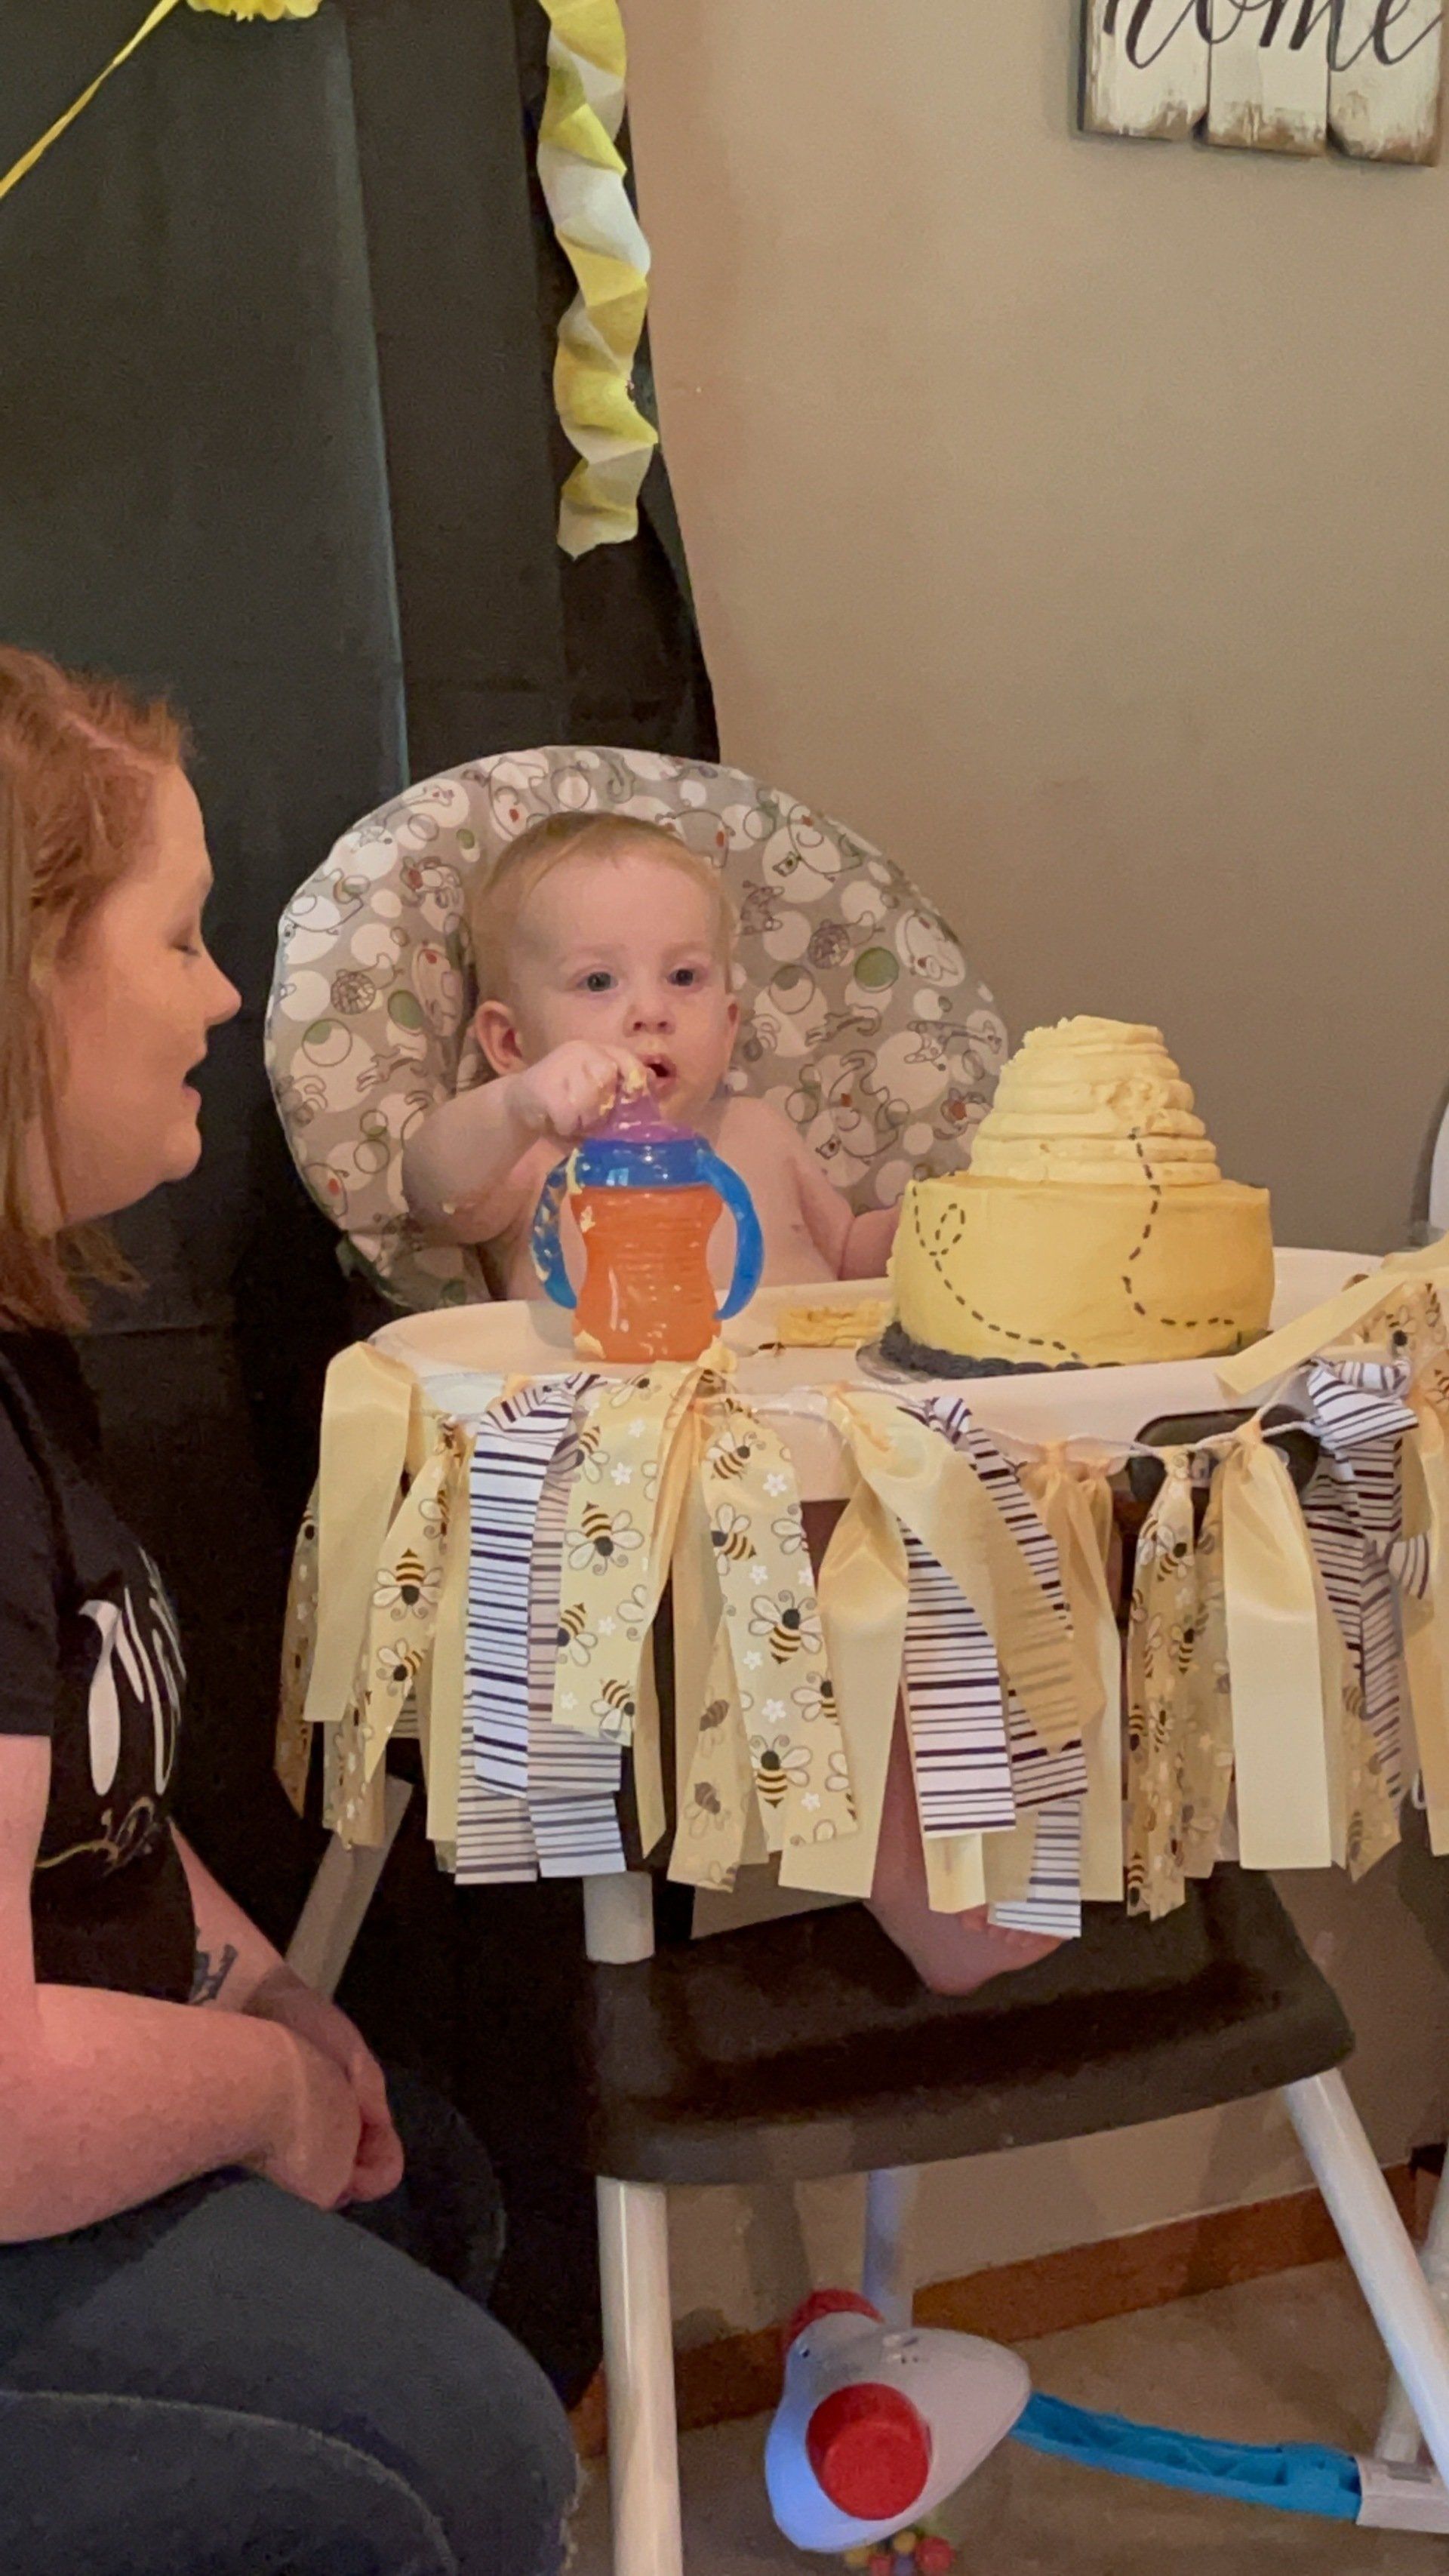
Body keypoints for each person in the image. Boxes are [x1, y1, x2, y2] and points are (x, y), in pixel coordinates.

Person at [0, 647, 576, 2576]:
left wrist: (258, 1988)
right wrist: (252, 2090)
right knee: (452, 2460)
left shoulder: (24, 1364)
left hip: (79, 2065)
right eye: (179, 936)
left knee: (447, 2191)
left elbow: (104, 1803)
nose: (225, 995)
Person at [402, 811, 1060, 1997]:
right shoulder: (539, 1161)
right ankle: (911, 1873)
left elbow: (850, 1249)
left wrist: (933, 1222)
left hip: (852, 1446)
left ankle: (1029, 1815)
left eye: (684, 977)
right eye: (598, 982)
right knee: (837, 1571)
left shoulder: (756, 1131)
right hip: (671, 1500)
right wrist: (518, 1110)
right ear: (510, 1037)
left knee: (1014, 1523)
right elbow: (429, 1191)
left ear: (731, 1018)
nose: (648, 1010)